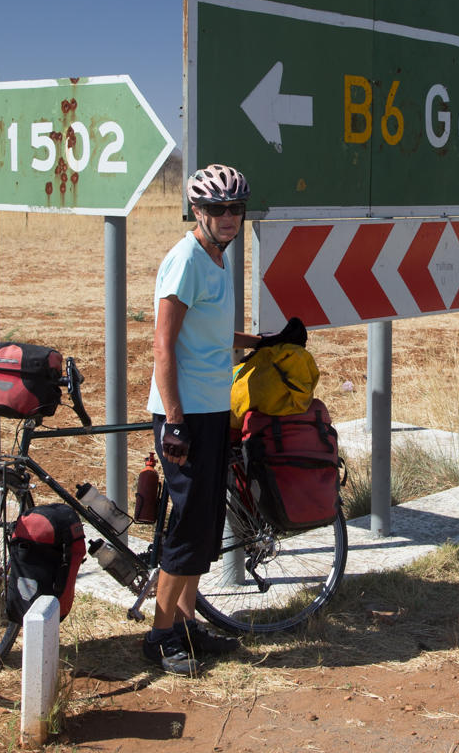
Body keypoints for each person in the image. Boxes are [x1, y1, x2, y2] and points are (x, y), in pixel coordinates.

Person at [142, 163, 259, 676]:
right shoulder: (186, 260)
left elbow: (210, 335)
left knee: (206, 520)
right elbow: (163, 345)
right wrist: (174, 421)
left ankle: (187, 624)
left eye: (235, 208)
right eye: (217, 208)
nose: (228, 216)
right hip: (185, 413)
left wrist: (262, 342)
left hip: (213, 408)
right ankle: (159, 634)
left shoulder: (218, 258)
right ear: (197, 210)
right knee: (188, 524)